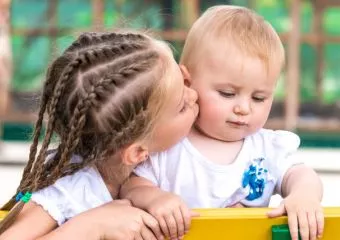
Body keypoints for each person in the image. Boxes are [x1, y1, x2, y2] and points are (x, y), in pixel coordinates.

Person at [120, 5, 324, 240]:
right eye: (228, 93)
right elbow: (131, 187)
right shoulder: (170, 143)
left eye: (259, 98)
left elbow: (301, 175)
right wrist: (154, 198)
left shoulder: (267, 147)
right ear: (187, 82)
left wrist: (303, 196)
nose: (244, 108)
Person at [0, 31, 198, 240]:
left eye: (185, 80)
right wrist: (94, 225)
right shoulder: (72, 186)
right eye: (182, 106)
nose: (195, 95)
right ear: (137, 151)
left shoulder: (159, 161)